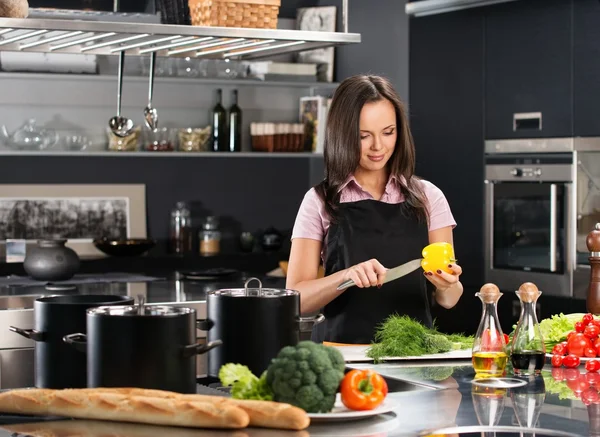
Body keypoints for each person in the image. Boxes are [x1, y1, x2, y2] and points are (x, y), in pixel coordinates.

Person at [286, 75, 463, 345]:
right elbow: (296, 299)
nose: (378, 147)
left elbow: (449, 301)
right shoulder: (319, 201)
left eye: (388, 132)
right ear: (342, 135)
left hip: (415, 356)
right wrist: (346, 277)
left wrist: (448, 284)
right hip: (343, 355)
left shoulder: (429, 197)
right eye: (363, 136)